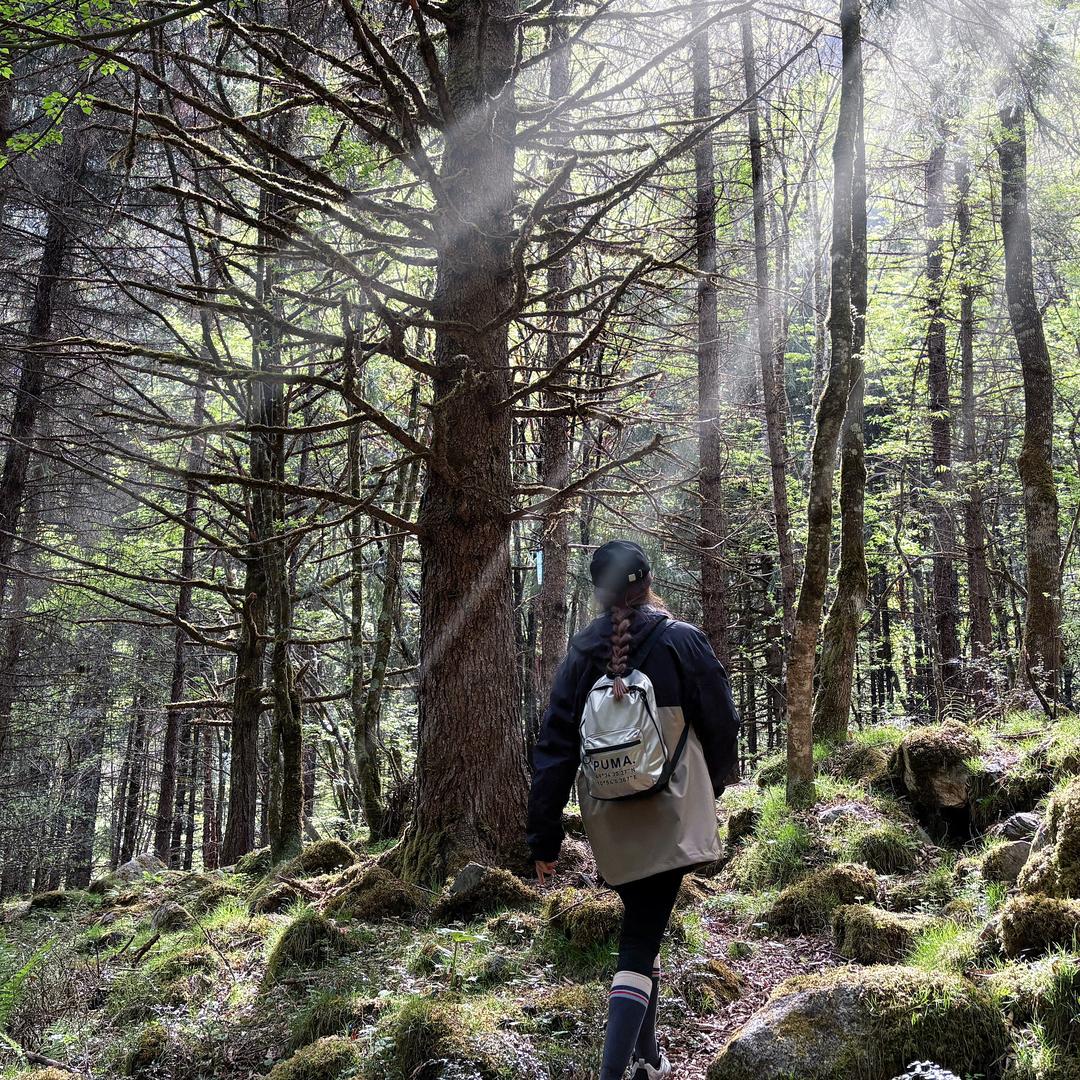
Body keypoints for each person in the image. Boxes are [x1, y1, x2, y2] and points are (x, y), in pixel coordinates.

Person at [527, 539, 741, 1080]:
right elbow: (722, 720)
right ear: (647, 582)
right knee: (641, 938)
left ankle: (648, 1059)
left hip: (609, 820)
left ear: (598, 592)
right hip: (670, 813)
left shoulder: (579, 655)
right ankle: (615, 1072)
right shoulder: (682, 640)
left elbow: (554, 749)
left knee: (643, 926)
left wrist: (544, 837)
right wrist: (711, 787)